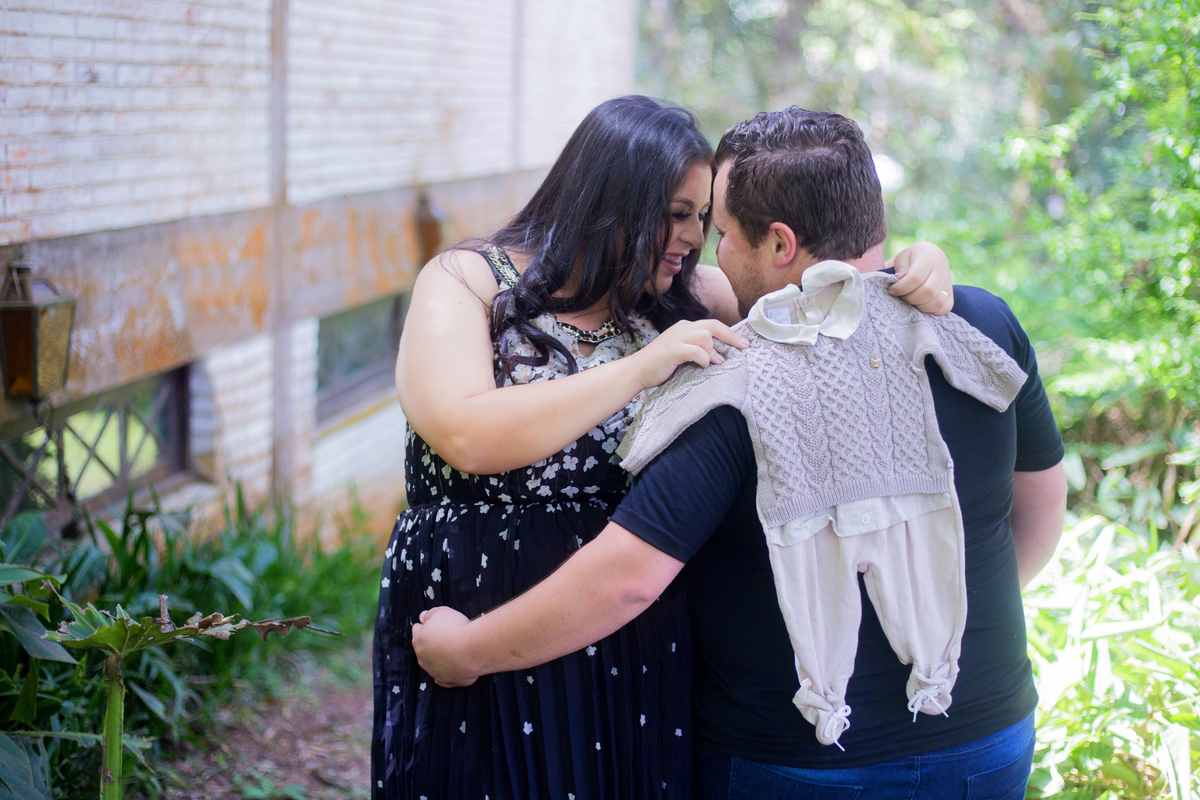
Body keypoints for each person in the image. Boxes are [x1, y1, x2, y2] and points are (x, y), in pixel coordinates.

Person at [411, 108, 1069, 800]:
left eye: (720, 230)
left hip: (794, 760)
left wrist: (467, 652)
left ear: (779, 243)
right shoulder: (983, 324)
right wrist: (946, 611)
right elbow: (1043, 508)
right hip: (985, 738)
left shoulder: (737, 383)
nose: (705, 249)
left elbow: (629, 578)